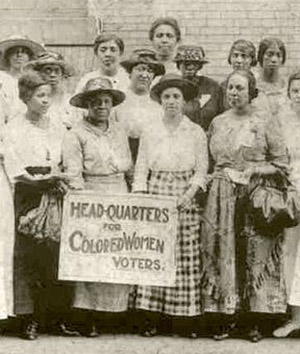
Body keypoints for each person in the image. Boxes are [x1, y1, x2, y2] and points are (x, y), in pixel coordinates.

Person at [201, 70, 288, 342]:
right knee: (225, 253)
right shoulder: (217, 122)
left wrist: (254, 170)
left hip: (255, 195)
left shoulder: (265, 121)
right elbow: (207, 160)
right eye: (230, 89)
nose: (234, 93)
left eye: (240, 88)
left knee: (253, 254)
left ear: (252, 92)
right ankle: (227, 318)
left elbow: (281, 163)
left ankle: (254, 321)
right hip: (222, 195)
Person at [130, 73, 208, 337]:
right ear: (160, 101)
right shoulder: (151, 130)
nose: (172, 101)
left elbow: (201, 169)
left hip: (185, 193)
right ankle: (151, 316)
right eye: (166, 96)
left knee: (184, 254)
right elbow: (141, 166)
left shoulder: (195, 131)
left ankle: (183, 319)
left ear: (185, 101)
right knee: (155, 253)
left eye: (177, 96)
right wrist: (143, 196)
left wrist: (189, 194)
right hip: (156, 191)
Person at [4, 72, 74, 340]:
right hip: (29, 193)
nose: (45, 101)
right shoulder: (14, 127)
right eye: (39, 96)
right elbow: (15, 168)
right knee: (29, 256)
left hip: (53, 190)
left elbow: (62, 157)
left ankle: (55, 318)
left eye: (48, 96)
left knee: (54, 255)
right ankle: (28, 319)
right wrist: (39, 181)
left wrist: (57, 178)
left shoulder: (56, 124)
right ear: (25, 98)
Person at [62, 77, 132, 337]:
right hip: (91, 196)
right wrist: (83, 200)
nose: (101, 106)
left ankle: (113, 314)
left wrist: (136, 194)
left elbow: (129, 167)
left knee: (117, 253)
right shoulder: (76, 134)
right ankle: (86, 315)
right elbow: (73, 174)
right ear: (86, 105)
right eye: (95, 102)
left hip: (119, 194)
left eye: (106, 101)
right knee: (91, 255)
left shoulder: (119, 130)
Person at [273, 72, 300, 337]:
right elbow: (278, 157)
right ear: (289, 94)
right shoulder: (282, 122)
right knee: (291, 254)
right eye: (296, 91)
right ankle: (294, 317)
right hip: (292, 191)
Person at [113, 48, 164, 164]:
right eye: (140, 69)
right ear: (130, 73)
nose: (145, 75)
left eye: (150, 71)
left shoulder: (158, 103)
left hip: (150, 156)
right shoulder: (119, 100)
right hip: (121, 154)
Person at [174, 45, 224, 131]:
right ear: (178, 65)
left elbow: (221, 115)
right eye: (186, 63)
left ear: (200, 66)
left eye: (194, 63)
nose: (190, 67)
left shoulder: (212, 86)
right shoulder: (172, 86)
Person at [25, 51, 78, 128]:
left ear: (62, 75)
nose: (53, 75)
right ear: (38, 74)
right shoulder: (31, 100)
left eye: (57, 71)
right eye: (48, 70)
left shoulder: (70, 101)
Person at [0, 35, 44, 122]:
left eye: (23, 52)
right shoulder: (1, 78)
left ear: (29, 57)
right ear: (8, 57)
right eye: (14, 52)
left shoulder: (35, 80)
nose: (19, 55)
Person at [256, 37, 288, 115]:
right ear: (261, 56)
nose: (274, 59)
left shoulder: (287, 85)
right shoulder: (253, 84)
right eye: (269, 54)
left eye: (278, 55)